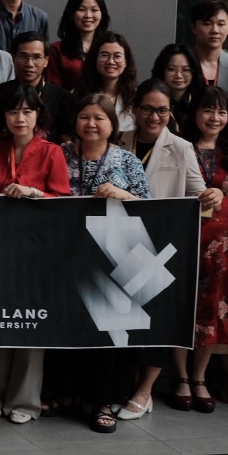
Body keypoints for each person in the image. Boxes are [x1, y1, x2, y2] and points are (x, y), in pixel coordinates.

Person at [115, 80, 210, 421]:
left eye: (162, 110)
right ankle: (126, 386)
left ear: (170, 113)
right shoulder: (119, 140)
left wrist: (212, 195)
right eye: (147, 109)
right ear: (134, 109)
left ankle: (145, 392)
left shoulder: (181, 147)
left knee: (156, 321)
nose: (154, 117)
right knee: (124, 320)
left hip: (160, 248)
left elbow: (199, 194)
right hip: (119, 243)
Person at [60, 93, 151, 433]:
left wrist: (124, 195)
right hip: (65, 255)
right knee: (66, 325)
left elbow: (151, 207)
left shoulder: (127, 161)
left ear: (112, 124)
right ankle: (65, 393)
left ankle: (104, 401)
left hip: (112, 260)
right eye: (84, 116)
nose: (91, 124)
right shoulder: (59, 154)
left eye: (99, 118)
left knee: (108, 329)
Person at [0, 84, 69, 426]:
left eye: (27, 111)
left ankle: (25, 401)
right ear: (4, 116)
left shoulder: (52, 152)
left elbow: (64, 203)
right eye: (13, 111)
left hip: (37, 250)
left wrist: (34, 193)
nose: (20, 118)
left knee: (30, 323)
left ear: (38, 115)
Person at [168, 87, 228, 416]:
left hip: (223, 247)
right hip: (183, 241)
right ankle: (180, 376)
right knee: (181, 309)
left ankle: (199, 377)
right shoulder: (179, 147)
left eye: (221, 112)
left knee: (211, 314)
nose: (215, 118)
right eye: (208, 110)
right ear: (195, 113)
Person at [0, 32, 74, 141]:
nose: (29, 64)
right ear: (13, 58)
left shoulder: (62, 98)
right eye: (23, 56)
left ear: (46, 61)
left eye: (37, 57)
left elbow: (66, 139)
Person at [47, 0, 109, 92]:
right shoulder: (56, 50)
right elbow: (53, 92)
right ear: (71, 14)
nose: (88, 15)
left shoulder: (109, 48)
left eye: (94, 10)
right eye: (81, 9)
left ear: (102, 14)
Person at [74, 31, 137, 132]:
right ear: (95, 59)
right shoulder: (78, 94)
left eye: (117, 56)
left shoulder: (137, 96)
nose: (111, 61)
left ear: (126, 62)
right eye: (104, 55)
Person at [189, 0, 228, 90]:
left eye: (221, 24)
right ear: (193, 28)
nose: (215, 30)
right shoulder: (179, 63)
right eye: (207, 24)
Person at [152, 44, 207, 136]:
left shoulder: (202, 100)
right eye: (171, 69)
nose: (178, 75)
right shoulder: (151, 99)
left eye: (186, 70)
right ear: (162, 70)